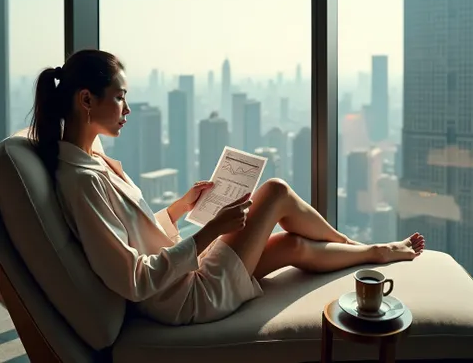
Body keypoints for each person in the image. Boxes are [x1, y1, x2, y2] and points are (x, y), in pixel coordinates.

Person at [28, 49, 425, 326]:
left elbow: (137, 237)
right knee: (275, 191)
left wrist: (180, 208)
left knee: (293, 246)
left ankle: (369, 252)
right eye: (119, 98)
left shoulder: (92, 160)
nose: (127, 110)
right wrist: (212, 230)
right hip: (183, 298)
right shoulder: (81, 182)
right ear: (86, 99)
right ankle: (365, 248)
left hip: (181, 278)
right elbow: (134, 279)